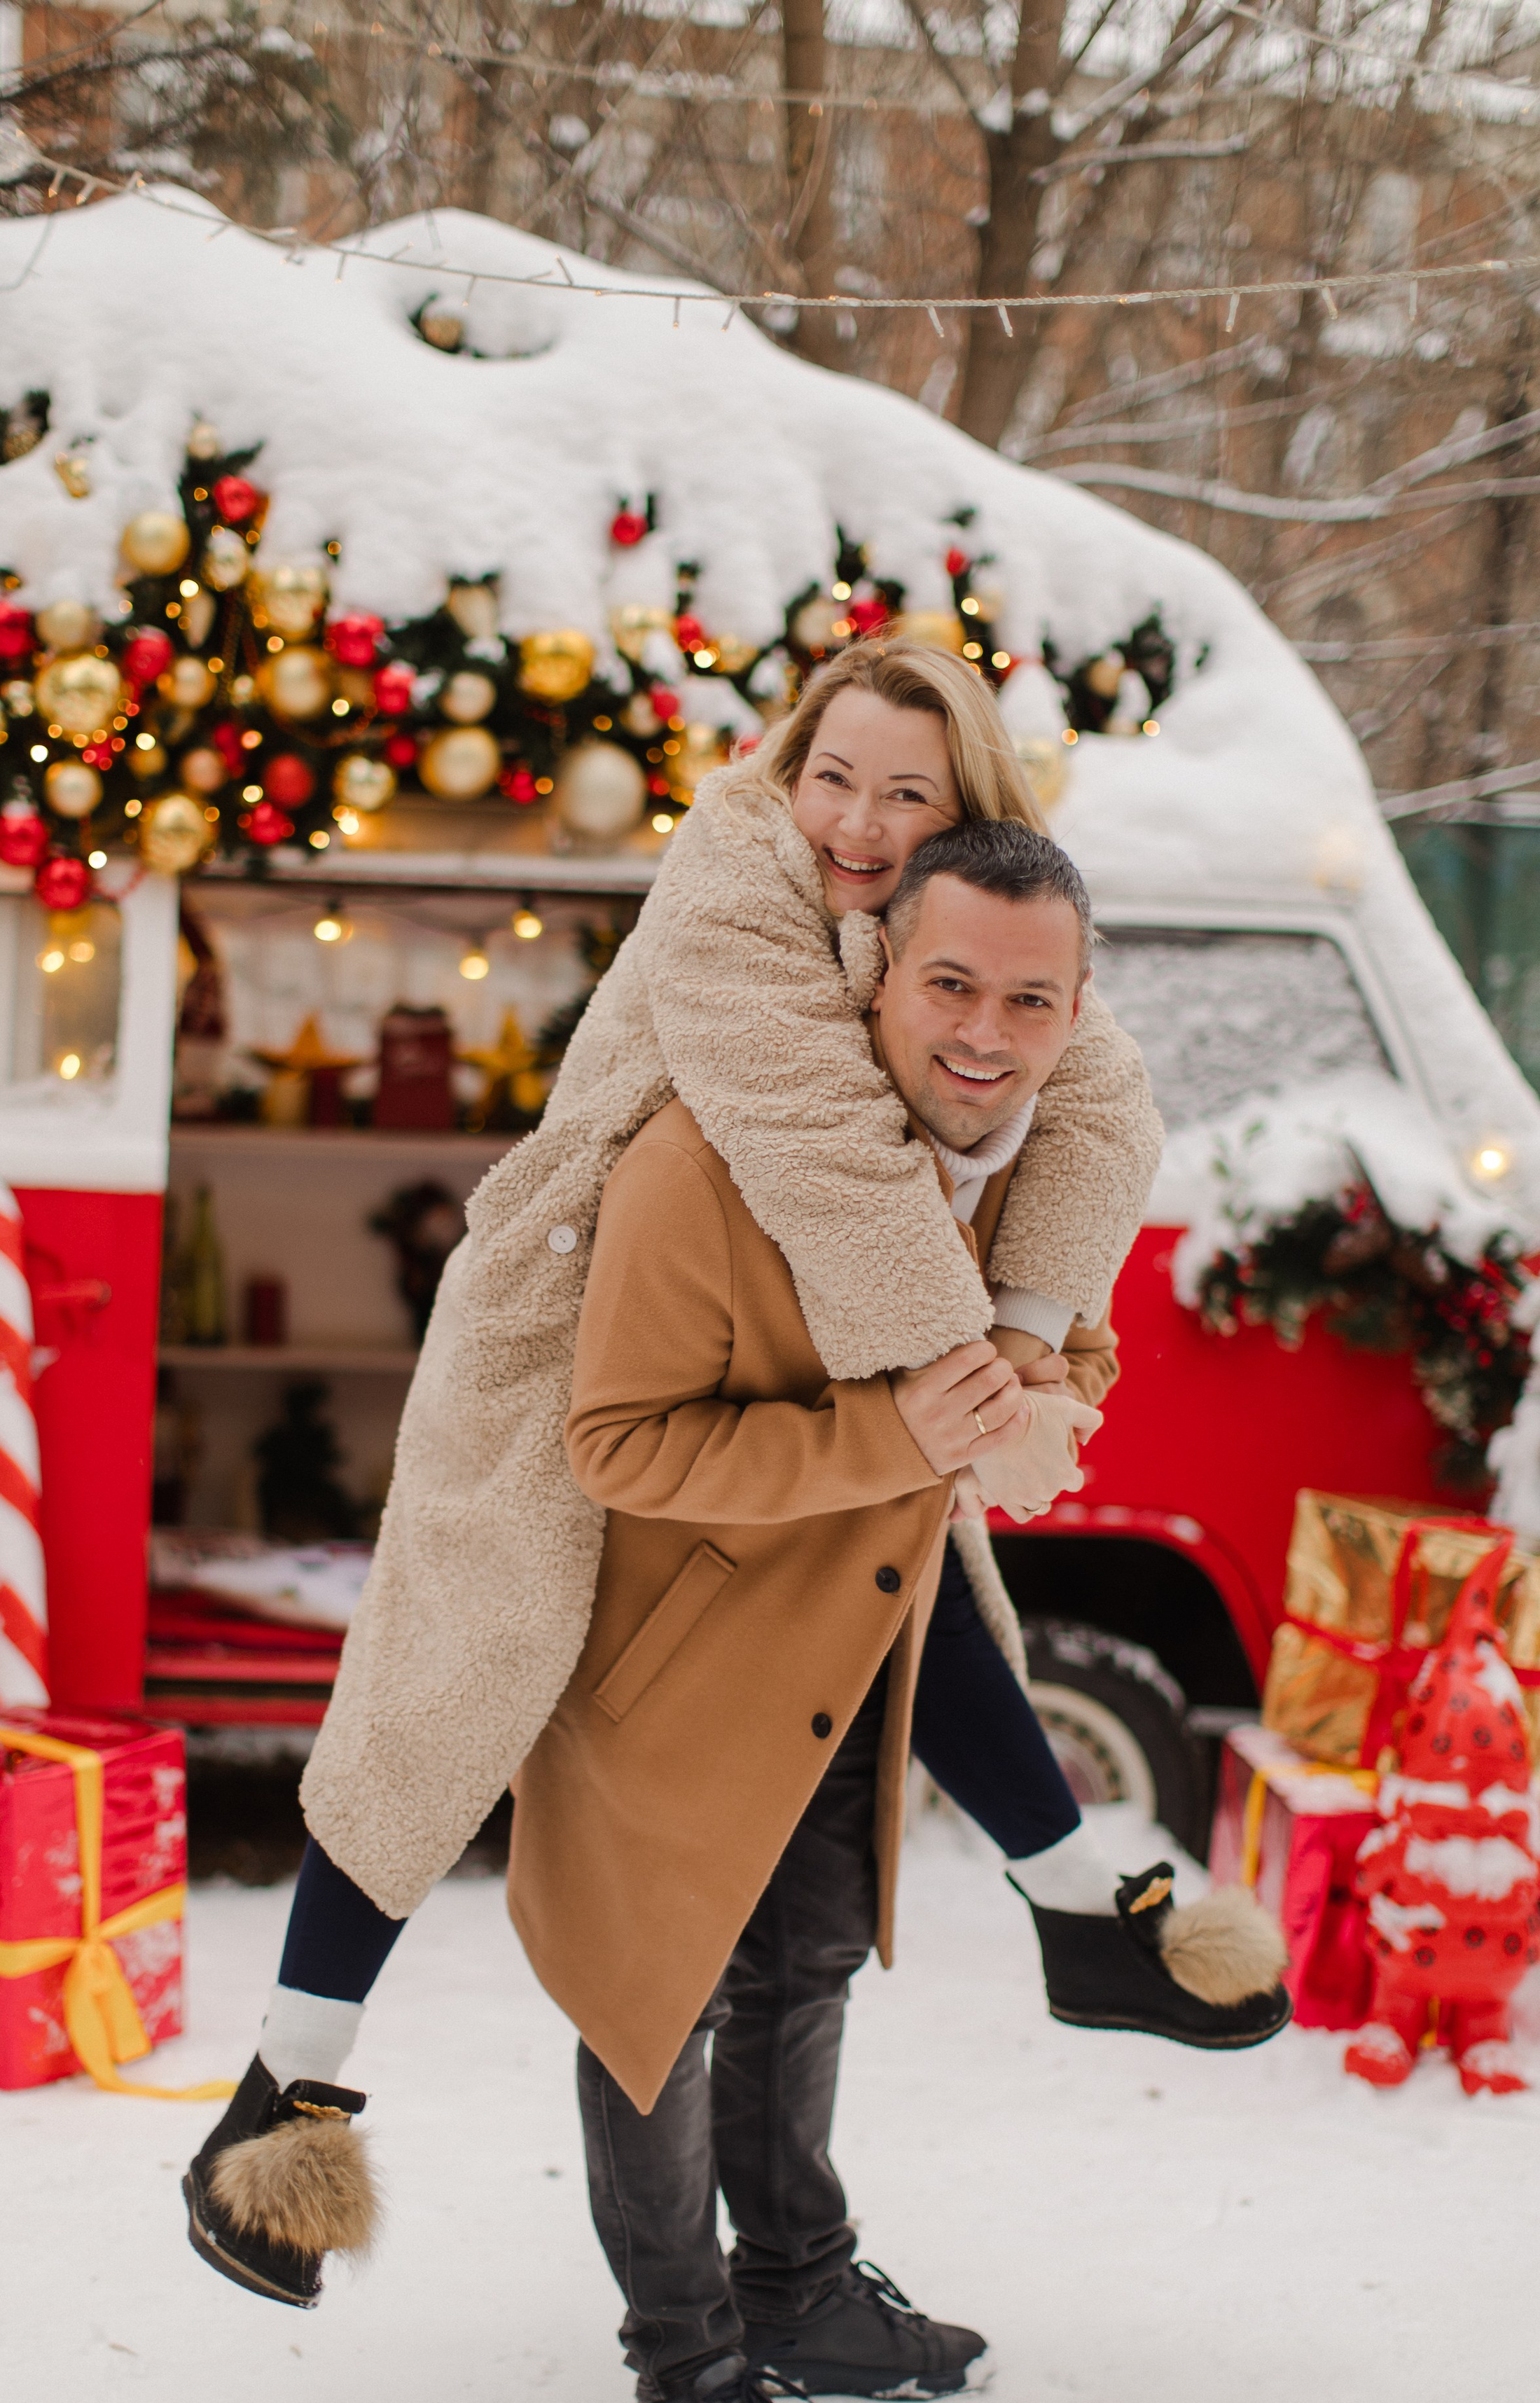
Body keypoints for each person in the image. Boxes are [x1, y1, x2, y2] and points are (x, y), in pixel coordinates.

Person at [182, 642, 1242, 2316]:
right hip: (561, 1325)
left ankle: (1068, 1916)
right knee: (449, 1692)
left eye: (909, 793)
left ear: (964, 805)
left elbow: (1098, 1100)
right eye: (835, 777)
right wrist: (956, 1381)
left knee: (918, 1596)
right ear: (782, 766)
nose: (861, 822)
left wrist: (1025, 1340)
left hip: (799, 1323)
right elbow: (813, 1133)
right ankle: (283, 2089)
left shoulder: (958, 924)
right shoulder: (730, 884)